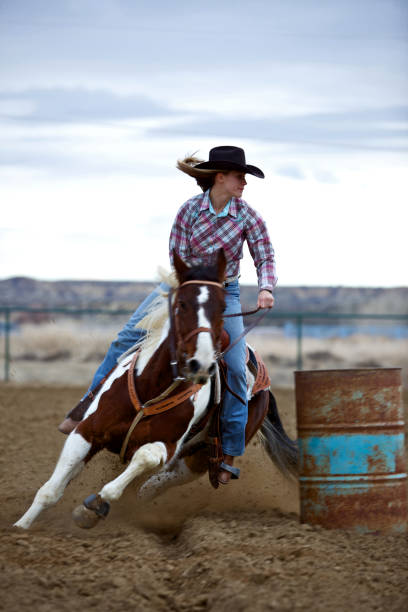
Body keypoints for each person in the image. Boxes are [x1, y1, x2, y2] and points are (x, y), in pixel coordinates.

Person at [58, 146, 276, 484]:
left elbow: (265, 256)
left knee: (234, 367)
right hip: (180, 286)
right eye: (239, 176)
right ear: (220, 177)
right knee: (126, 338)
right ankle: (87, 407)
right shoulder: (189, 211)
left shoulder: (248, 216)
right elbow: (176, 254)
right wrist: (186, 290)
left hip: (224, 293)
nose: (244, 182)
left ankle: (228, 451)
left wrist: (266, 288)